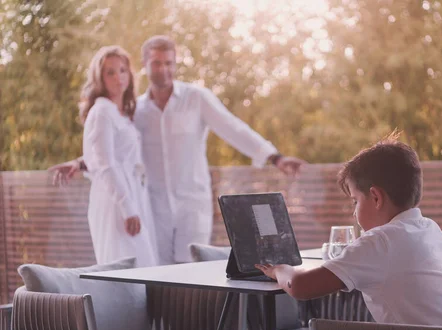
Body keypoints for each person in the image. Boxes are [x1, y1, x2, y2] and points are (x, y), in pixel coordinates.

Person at [50, 36, 305, 265]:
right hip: (153, 205)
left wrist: (276, 157)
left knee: (192, 270)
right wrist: (79, 163)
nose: (164, 70)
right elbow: (114, 149)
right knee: (158, 275)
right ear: (145, 65)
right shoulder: (135, 109)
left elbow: (233, 128)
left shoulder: (196, 98)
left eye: (169, 63)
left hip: (192, 204)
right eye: (157, 63)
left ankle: (192, 320)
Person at [255, 137, 442, 330]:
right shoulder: (429, 228)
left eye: (354, 202)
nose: (354, 212)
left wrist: (279, 269)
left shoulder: (380, 241)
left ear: (375, 197)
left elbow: (300, 286)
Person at [80, 45, 158, 267]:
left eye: (122, 70)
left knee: (143, 266)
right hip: (116, 202)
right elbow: (105, 164)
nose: (118, 77)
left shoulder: (119, 113)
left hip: (132, 193)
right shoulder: (102, 111)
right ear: (100, 78)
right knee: (127, 268)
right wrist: (127, 208)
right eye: (110, 72)